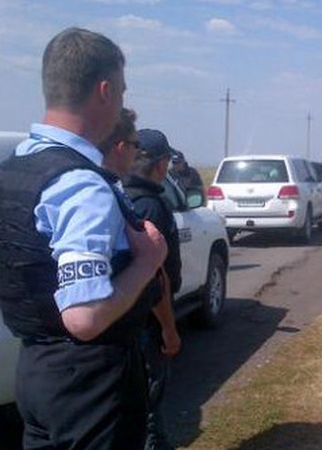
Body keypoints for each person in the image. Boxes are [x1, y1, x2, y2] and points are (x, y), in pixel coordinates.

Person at [0, 27, 167, 450]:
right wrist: (147, 260)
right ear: (105, 90)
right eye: (121, 92)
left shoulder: (14, 167)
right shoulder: (82, 186)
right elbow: (84, 318)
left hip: (34, 372)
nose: (121, 103)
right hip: (92, 383)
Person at [124, 129, 183, 450]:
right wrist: (169, 329)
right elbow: (155, 276)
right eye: (167, 161)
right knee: (149, 403)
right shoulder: (150, 205)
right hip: (149, 320)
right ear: (160, 165)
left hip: (132, 317)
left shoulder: (124, 196)